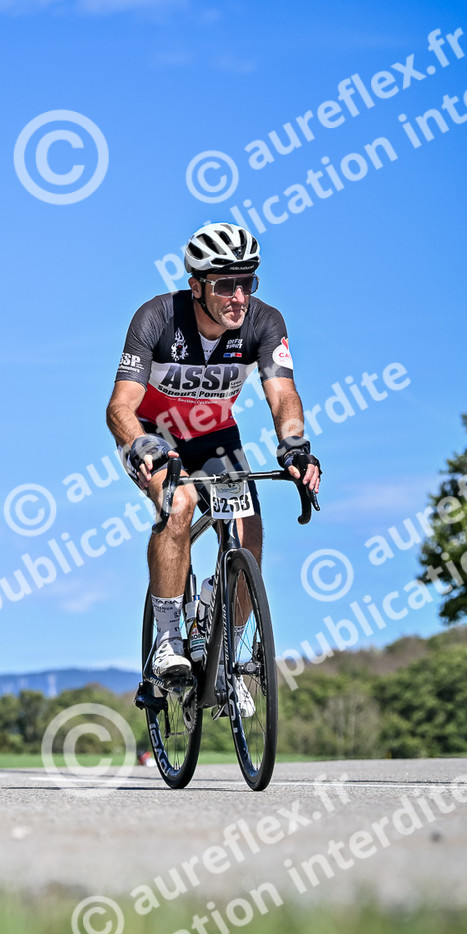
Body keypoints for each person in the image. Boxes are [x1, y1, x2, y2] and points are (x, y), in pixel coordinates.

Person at [105, 223, 322, 707]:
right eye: (226, 285)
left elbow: (283, 394)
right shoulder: (157, 318)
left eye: (247, 283)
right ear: (197, 285)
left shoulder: (264, 322)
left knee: (249, 532)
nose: (239, 296)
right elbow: (119, 406)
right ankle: (168, 640)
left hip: (213, 436)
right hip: (152, 433)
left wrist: (294, 444)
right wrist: (140, 444)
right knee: (178, 505)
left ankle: (225, 655)